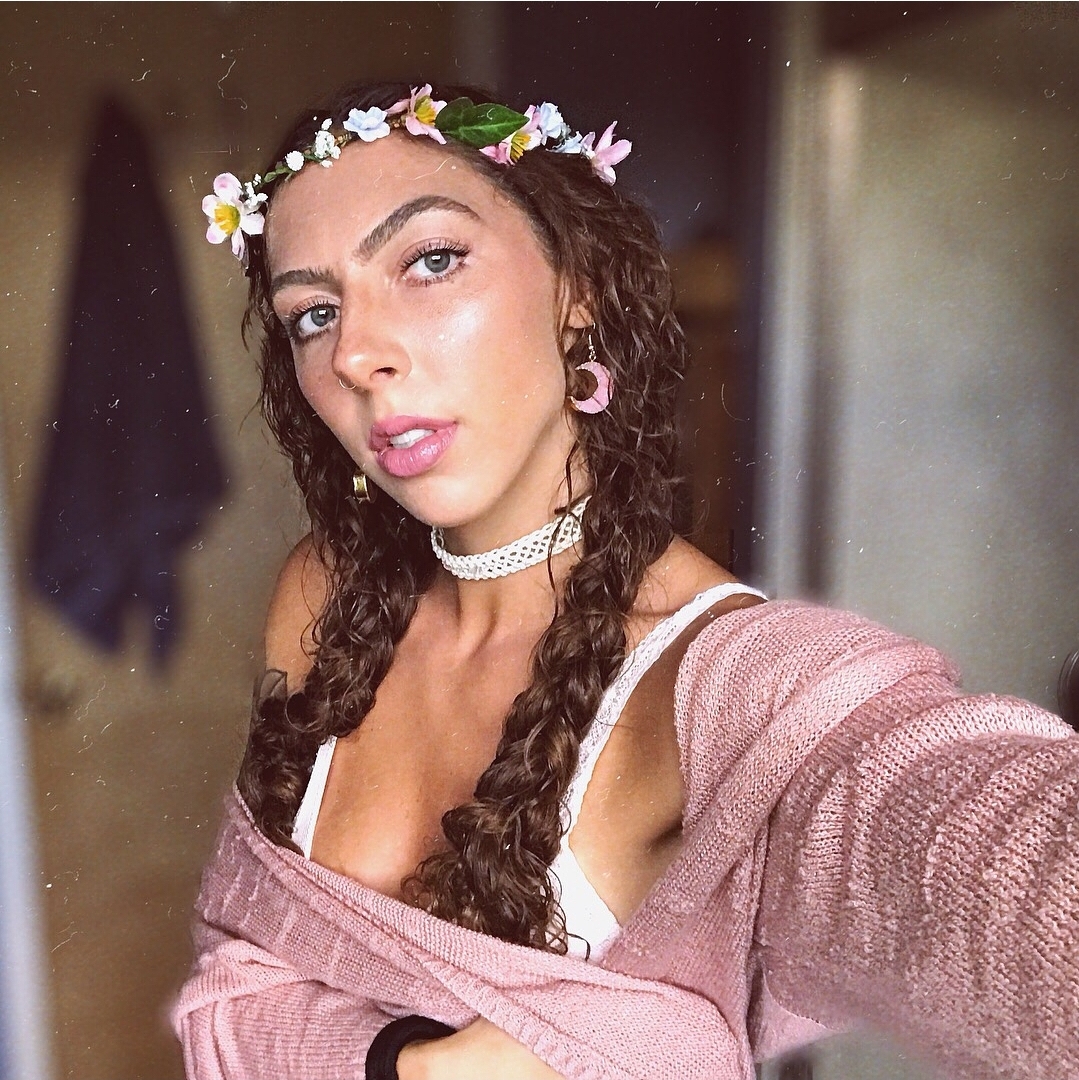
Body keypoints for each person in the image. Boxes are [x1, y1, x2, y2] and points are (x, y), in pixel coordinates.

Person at [173, 82, 1079, 1080]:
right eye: (313, 313)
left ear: (579, 289)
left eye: (430, 261)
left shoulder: (723, 685)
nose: (356, 354)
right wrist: (403, 1063)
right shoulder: (327, 595)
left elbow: (959, 847)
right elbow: (231, 984)